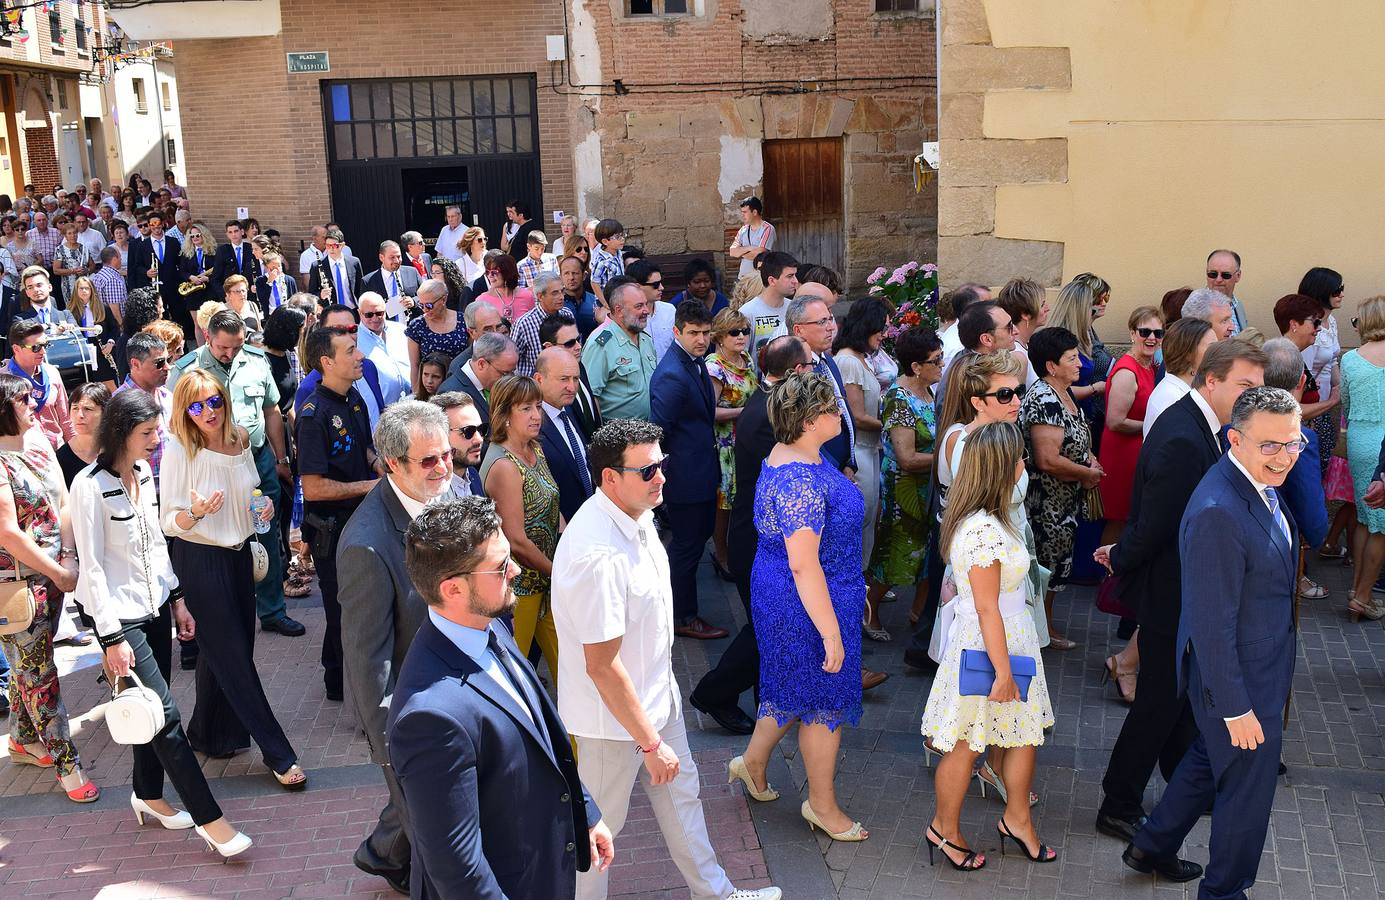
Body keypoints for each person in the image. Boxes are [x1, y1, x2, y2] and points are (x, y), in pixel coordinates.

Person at [550, 419, 781, 900]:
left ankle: (715, 894)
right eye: (648, 469)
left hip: (656, 700)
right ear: (610, 478)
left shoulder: (637, 513)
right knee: (599, 833)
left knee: (684, 801)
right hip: (613, 724)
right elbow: (601, 664)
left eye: (663, 464)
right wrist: (651, 744)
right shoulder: (598, 555)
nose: (662, 478)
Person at [1124, 386, 1302, 896]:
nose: (1284, 457)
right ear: (1234, 440)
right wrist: (1235, 707)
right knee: (1246, 796)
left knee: (1207, 757)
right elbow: (1210, 623)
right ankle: (1224, 891)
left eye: (1293, 444)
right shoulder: (1218, 511)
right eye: (1270, 446)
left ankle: (1151, 844)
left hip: (1254, 671)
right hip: (1240, 683)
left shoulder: (1254, 479)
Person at [387, 498, 612, 898]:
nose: (516, 570)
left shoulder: (486, 624)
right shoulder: (430, 718)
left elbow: (541, 728)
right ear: (452, 589)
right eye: (499, 566)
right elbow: (458, 867)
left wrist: (586, 813)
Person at [1093, 340, 1267, 844]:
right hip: (1173, 589)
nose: (1253, 396)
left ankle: (1184, 783)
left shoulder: (1203, 426)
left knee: (1181, 697)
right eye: (1245, 386)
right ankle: (1118, 802)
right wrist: (1119, 557)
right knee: (1159, 702)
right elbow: (1156, 524)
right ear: (1211, 380)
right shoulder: (1184, 439)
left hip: (1186, 586)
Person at [71, 389, 253, 857]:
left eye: (156, 431)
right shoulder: (89, 486)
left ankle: (148, 794)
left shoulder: (143, 475)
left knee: (148, 716)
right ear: (120, 433)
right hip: (119, 619)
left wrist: (177, 600)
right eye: (147, 433)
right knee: (167, 717)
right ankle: (212, 822)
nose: (156, 440)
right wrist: (110, 637)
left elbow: (154, 544)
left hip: (155, 611)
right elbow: (90, 570)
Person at [729, 371, 873, 844]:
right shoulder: (798, 479)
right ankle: (822, 805)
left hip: (817, 590)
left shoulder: (802, 455)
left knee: (795, 682)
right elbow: (803, 564)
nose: (841, 414)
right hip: (805, 600)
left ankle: (751, 763)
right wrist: (831, 631)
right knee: (823, 700)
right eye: (833, 409)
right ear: (811, 421)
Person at [160, 369, 304, 787]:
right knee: (235, 660)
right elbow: (170, 521)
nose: (208, 411)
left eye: (215, 401)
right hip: (200, 561)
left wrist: (260, 510)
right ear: (185, 411)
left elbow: (252, 490)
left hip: (240, 556)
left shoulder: (240, 438)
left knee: (225, 652)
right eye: (197, 405)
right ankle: (279, 753)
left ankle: (207, 732)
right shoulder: (179, 450)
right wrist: (197, 513)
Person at [338, 400, 455, 895]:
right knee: (440, 834)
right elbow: (369, 663)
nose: (444, 467)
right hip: (413, 711)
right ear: (392, 464)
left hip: (454, 686)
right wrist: (392, 749)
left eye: (446, 454)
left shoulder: (443, 494)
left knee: (418, 808)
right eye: (428, 461)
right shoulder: (366, 545)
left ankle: (383, 853)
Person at [169, 310, 300, 638]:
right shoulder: (187, 370)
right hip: (208, 464)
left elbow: (271, 410)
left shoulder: (256, 360)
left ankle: (272, 610)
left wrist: (281, 457)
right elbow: (176, 422)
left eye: (238, 346)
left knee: (265, 531)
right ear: (208, 337)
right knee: (221, 538)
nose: (230, 354)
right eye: (223, 348)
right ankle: (217, 614)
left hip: (256, 458)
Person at [0, 374, 97, 802]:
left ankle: (22, 740)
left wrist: (68, 558)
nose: (34, 404)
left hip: (49, 578)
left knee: (30, 665)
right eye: (23, 399)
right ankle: (67, 763)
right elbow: (8, 532)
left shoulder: (32, 448)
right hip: (20, 586)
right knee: (39, 675)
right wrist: (58, 572)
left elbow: (61, 503)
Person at [297, 324, 379, 702]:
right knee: (342, 609)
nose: (360, 355)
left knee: (360, 606)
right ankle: (345, 687)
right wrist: (371, 487)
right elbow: (312, 487)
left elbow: (359, 450)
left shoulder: (354, 399)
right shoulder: (313, 415)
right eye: (350, 351)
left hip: (361, 523)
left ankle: (343, 680)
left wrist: (380, 465)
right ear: (327, 362)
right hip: (333, 530)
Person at [1019, 327, 1102, 652]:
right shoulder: (1044, 399)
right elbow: (1047, 459)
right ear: (1051, 366)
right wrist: (1086, 473)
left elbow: (1075, 437)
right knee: (1044, 569)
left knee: (1053, 567)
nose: (1079, 364)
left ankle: (1044, 625)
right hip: (1046, 504)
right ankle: (1042, 630)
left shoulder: (1064, 393)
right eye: (1071, 359)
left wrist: (1090, 460)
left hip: (1064, 501)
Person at [648, 300, 726, 640]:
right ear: (676, 331)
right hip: (685, 478)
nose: (701, 340)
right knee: (686, 548)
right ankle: (683, 616)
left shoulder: (694, 363)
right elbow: (659, 431)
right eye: (693, 333)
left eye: (706, 333)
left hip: (701, 471)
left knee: (692, 544)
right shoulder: (672, 374)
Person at [479, 375, 562, 679]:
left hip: (546, 582)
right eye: (525, 408)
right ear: (504, 414)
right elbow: (515, 540)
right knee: (514, 676)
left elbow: (552, 505)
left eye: (538, 406)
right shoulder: (504, 465)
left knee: (568, 667)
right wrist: (559, 572)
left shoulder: (534, 448)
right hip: (520, 589)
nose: (536, 415)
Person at [866, 327, 943, 635]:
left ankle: (918, 612)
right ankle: (868, 610)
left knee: (929, 552)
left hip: (927, 490)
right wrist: (951, 457)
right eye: (936, 361)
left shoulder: (928, 391)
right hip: (904, 492)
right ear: (915, 367)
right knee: (896, 553)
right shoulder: (900, 400)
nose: (941, 366)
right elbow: (907, 458)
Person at [833, 298, 888, 631]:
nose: (884, 335)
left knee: (870, 526)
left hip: (874, 451)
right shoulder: (848, 363)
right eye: (880, 328)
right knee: (862, 523)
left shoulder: (864, 360)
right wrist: (899, 424)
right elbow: (858, 416)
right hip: (862, 453)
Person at [1097, 306, 1165, 548]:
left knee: (1133, 519)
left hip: (1139, 454)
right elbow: (1115, 421)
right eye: (1145, 331)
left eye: (1158, 333)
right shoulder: (1127, 371)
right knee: (1119, 521)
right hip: (1123, 457)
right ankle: (1107, 579)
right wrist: (1154, 426)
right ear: (1132, 333)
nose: (1152, 338)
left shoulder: (1152, 366)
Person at [1260, 338, 1329, 552]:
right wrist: (1317, 535)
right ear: (1301, 381)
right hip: (1278, 542)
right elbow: (1311, 514)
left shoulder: (1234, 425)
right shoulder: (1300, 438)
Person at [704, 308, 757, 581]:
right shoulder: (714, 367)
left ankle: (741, 550)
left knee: (744, 499)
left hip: (747, 440)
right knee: (725, 503)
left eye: (745, 331)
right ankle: (721, 554)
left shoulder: (745, 359)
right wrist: (745, 411)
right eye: (734, 332)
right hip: (725, 444)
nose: (741, 337)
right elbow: (710, 412)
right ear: (720, 337)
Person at [1341, 296, 1385, 620]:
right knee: (1381, 527)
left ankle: (1356, 588)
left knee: (1362, 516)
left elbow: (1345, 401)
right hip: (1383, 444)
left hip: (1359, 438)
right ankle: (1364, 596)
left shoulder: (1351, 360)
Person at [787, 296, 855, 472]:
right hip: (821, 470)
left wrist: (849, 461)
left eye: (830, 319)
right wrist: (831, 470)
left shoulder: (828, 361)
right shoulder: (798, 372)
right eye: (822, 321)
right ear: (798, 330)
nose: (831, 327)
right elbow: (804, 430)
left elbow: (843, 409)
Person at [582, 280, 657, 421]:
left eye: (646, 304)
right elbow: (591, 397)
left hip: (651, 432)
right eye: (639, 306)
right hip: (619, 438)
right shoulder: (600, 343)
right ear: (619, 310)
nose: (646, 310)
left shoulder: (645, 339)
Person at [535, 346, 595, 522]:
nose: (571, 387)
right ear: (539, 379)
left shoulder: (568, 408)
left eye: (575, 379)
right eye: (563, 379)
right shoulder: (531, 425)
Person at [1044, 278, 1110, 433]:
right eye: (1092, 307)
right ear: (1080, 309)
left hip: (1083, 416)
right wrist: (1095, 389)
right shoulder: (1060, 342)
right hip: (1066, 422)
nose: (1100, 306)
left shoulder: (1086, 334)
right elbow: (1053, 388)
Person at [1299, 266, 1346, 477]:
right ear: (1321, 292)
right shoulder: (1310, 326)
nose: (1342, 294)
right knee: (1314, 465)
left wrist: (1340, 389)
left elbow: (1333, 360)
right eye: (1337, 290)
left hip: (1327, 402)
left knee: (1325, 462)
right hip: (1311, 407)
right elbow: (1304, 372)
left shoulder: (1331, 321)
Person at [435, 332, 518, 443]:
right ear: (481, 364)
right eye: (504, 373)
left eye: (512, 372)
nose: (509, 379)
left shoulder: (498, 385)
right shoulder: (450, 392)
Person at [6, 318, 73, 451]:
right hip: (23, 456)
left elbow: (66, 420)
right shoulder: (4, 380)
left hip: (57, 452)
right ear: (16, 349)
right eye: (36, 347)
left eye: (45, 345)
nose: (43, 352)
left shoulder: (52, 373)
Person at [1143, 318, 1216, 437]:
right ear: (1188, 353)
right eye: (1212, 347)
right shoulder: (1172, 399)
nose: (1218, 353)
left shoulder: (1182, 390)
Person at [404, 279, 466, 394]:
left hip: (460, 388)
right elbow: (415, 365)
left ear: (443, 299)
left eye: (429, 305)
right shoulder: (417, 325)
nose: (425, 310)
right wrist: (417, 395)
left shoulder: (463, 321)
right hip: (429, 391)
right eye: (421, 305)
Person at [735, 251, 798, 365]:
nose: (795, 281)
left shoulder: (794, 308)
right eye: (789, 276)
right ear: (772, 280)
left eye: (795, 275)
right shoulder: (748, 312)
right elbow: (740, 356)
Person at [356, 292, 410, 407]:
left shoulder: (401, 330)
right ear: (359, 313)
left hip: (413, 401)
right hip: (382, 409)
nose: (375, 318)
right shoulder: (354, 340)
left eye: (379, 313)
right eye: (369, 315)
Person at [513, 272, 572, 377]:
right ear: (540, 296)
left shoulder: (567, 314)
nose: (561, 297)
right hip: (534, 388)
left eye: (562, 291)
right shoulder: (524, 324)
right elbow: (511, 359)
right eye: (555, 293)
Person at [64, 275, 118, 389]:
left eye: (87, 288)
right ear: (76, 291)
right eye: (81, 288)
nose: (84, 291)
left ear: (92, 290)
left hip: (101, 349)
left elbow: (115, 328)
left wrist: (110, 343)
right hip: (82, 350)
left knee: (108, 383)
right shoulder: (70, 311)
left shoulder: (103, 308)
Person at [431, 391, 487, 498]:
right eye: (468, 431)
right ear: (440, 434)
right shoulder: (431, 493)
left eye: (481, 429)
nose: (479, 439)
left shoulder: (472, 474)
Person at [996, 277, 1048, 386]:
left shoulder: (1026, 344)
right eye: (1042, 305)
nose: (1048, 308)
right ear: (1025, 314)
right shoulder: (1014, 353)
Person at [57, 382, 109, 485]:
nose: (79, 415)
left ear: (105, 412)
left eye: (88, 409)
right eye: (75, 408)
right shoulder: (61, 458)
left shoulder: (118, 451)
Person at [363, 240, 421, 321]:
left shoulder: (412, 272)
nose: (397, 261)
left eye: (398, 256)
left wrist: (413, 302)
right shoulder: (368, 281)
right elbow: (365, 309)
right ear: (381, 257)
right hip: (385, 327)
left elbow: (425, 296)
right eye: (392, 257)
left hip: (412, 325)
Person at [307, 229, 364, 308]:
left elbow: (360, 288)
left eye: (335, 245)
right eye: (328, 246)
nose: (331, 249)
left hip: (352, 309)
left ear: (342, 245)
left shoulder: (354, 262)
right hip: (331, 311)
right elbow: (311, 294)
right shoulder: (316, 266)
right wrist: (321, 295)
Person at [477, 252, 536, 324]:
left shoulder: (527, 296)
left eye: (494, 272)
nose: (490, 276)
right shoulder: (482, 300)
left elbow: (533, 324)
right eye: (487, 272)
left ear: (507, 273)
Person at [728, 196, 775, 279]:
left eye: (745, 212)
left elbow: (759, 255)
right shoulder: (743, 229)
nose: (742, 215)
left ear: (754, 212)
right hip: (742, 278)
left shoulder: (767, 229)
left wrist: (740, 252)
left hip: (759, 280)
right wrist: (750, 248)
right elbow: (732, 252)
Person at [1205, 248, 1248, 335]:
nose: (1218, 279)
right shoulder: (1197, 307)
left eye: (1225, 275)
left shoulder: (1238, 306)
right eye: (1213, 274)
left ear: (1238, 276)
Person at [559, 253, 601, 340]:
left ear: (584, 275)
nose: (571, 277)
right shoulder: (557, 305)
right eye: (566, 273)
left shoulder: (596, 301)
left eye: (575, 273)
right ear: (560, 277)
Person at [588, 218, 626, 309]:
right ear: (605, 241)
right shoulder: (602, 261)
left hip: (619, 297)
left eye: (622, 235)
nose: (622, 239)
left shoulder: (618, 253)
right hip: (607, 301)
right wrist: (605, 303)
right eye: (618, 237)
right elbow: (595, 283)